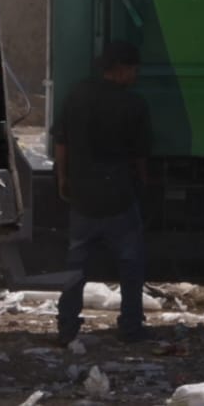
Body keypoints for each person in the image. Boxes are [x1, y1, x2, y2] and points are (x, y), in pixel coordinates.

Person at [52, 41, 152, 344]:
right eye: (133, 69)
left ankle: (67, 327)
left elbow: (61, 141)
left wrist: (63, 178)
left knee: (75, 267)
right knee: (131, 264)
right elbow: (140, 155)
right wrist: (144, 185)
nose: (135, 75)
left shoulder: (77, 96)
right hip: (119, 198)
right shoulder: (134, 105)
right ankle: (131, 328)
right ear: (120, 70)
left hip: (82, 197)